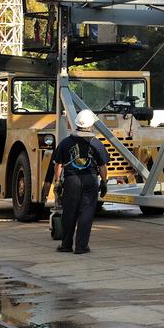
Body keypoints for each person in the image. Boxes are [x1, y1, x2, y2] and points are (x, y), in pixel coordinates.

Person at [52, 109, 109, 255]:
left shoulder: (65, 143)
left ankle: (66, 245)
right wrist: (104, 182)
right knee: (86, 212)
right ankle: (81, 247)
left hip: (71, 181)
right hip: (90, 180)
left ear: (77, 124)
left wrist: (58, 182)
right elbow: (102, 166)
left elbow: (58, 164)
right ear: (91, 126)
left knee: (69, 212)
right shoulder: (96, 143)